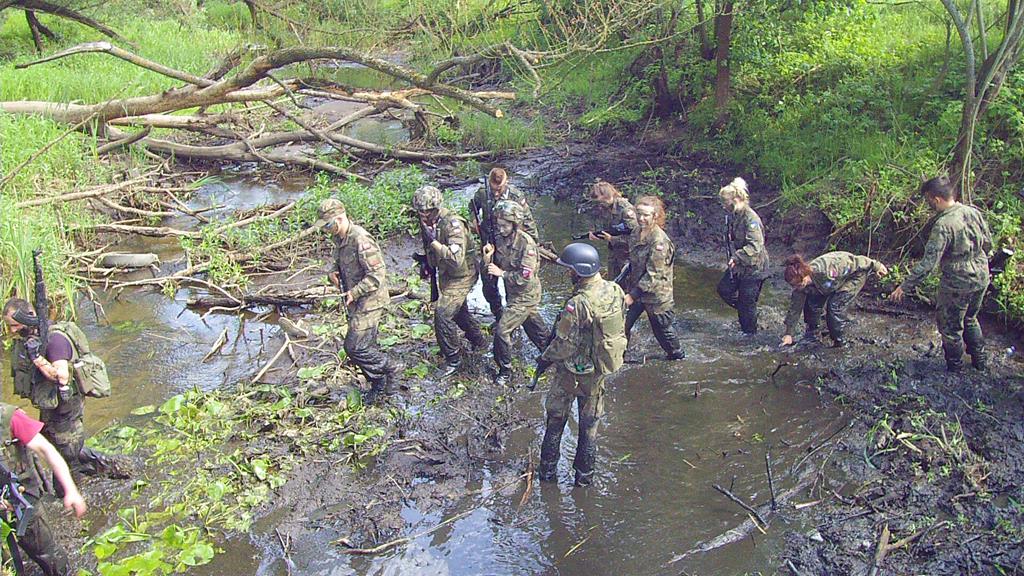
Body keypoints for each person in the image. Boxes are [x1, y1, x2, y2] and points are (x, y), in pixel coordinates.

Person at [535, 242, 627, 487]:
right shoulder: (615, 290)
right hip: (598, 369)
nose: (568, 273)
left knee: (556, 419)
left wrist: (545, 358)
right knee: (589, 426)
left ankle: (547, 476)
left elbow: (564, 344)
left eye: (570, 269)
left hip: (571, 372)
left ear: (580, 271)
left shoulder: (577, 304)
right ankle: (584, 480)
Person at [3, 299, 117, 484]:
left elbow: (62, 376)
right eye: (9, 326)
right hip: (51, 404)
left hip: (66, 407)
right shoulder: (34, 338)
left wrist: (37, 358)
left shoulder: (55, 339)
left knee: (67, 453)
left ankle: (76, 491)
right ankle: (109, 467)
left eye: (15, 325)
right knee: (56, 444)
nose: (12, 330)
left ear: (28, 317)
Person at [890, 176, 993, 372]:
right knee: (970, 318)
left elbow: (928, 264)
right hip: (981, 274)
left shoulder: (943, 225)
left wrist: (905, 286)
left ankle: (955, 368)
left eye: (928, 200)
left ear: (935, 199)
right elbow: (988, 243)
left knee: (950, 327)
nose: (928, 204)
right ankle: (980, 362)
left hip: (957, 281)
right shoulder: (973, 212)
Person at [317, 198, 397, 403]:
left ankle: (390, 368)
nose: (326, 230)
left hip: (370, 300)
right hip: (356, 298)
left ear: (339, 219)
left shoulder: (360, 239)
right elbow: (338, 260)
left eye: (328, 225)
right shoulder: (339, 237)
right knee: (366, 343)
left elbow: (377, 274)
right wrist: (332, 272)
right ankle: (379, 383)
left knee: (353, 347)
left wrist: (355, 292)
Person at [0, 401, 87, 576]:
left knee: (48, 555)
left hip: (21, 502)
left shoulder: (9, 417)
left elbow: (47, 450)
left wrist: (70, 490)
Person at [413, 185, 488, 377]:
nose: (424, 215)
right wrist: (427, 263)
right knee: (459, 313)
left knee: (443, 314)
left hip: (463, 274)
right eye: (420, 211)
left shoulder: (453, 225)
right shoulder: (426, 222)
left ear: (436, 208)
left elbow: (456, 259)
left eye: (428, 211)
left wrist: (434, 243)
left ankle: (453, 359)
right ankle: (479, 341)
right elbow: (429, 246)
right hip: (446, 273)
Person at [482, 200, 550, 386]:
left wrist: (502, 274)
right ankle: (550, 354)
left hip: (525, 295)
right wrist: (488, 257)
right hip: (513, 293)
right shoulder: (499, 237)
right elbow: (492, 266)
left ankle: (505, 370)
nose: (501, 229)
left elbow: (525, 277)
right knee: (532, 324)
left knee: (502, 330)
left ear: (515, 224)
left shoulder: (526, 244)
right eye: (499, 225)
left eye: (505, 226)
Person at [469, 168, 539, 321]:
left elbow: (528, 223)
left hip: (510, 248)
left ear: (506, 182)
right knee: (488, 285)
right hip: (490, 245)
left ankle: (512, 318)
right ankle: (499, 314)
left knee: (512, 286)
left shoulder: (516, 196)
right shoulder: (483, 193)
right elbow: (472, 206)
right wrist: (473, 220)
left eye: (499, 189)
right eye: (493, 189)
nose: (496, 193)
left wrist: (531, 248)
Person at [780, 252, 889, 348]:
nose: (795, 288)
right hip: (828, 285)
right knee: (811, 304)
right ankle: (812, 335)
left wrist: (875, 265)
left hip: (852, 276)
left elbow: (856, 261)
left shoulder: (826, 269)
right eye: (792, 286)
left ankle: (839, 341)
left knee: (834, 307)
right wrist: (789, 334)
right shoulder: (800, 288)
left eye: (797, 285)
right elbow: (794, 309)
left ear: (805, 278)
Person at [622, 196, 685, 360]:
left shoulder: (659, 241)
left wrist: (632, 296)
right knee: (621, 325)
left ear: (655, 216)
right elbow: (633, 261)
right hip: (636, 290)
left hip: (656, 295)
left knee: (662, 331)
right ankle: (618, 357)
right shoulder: (636, 233)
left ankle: (677, 357)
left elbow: (654, 274)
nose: (641, 218)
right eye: (639, 214)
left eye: (646, 215)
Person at [716, 177, 770, 334]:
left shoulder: (751, 219)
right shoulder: (735, 215)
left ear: (736, 200)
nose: (724, 207)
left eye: (726, 203)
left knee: (747, 302)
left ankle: (750, 334)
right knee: (724, 290)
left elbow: (755, 245)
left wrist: (736, 257)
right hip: (740, 265)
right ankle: (748, 312)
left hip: (755, 266)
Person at [587, 181, 637, 280]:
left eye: (602, 201)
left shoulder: (626, 210)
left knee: (628, 281)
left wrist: (612, 239)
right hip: (614, 253)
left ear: (607, 195)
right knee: (613, 282)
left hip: (627, 254)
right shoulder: (603, 207)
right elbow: (599, 222)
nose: (600, 204)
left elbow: (636, 237)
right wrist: (594, 232)